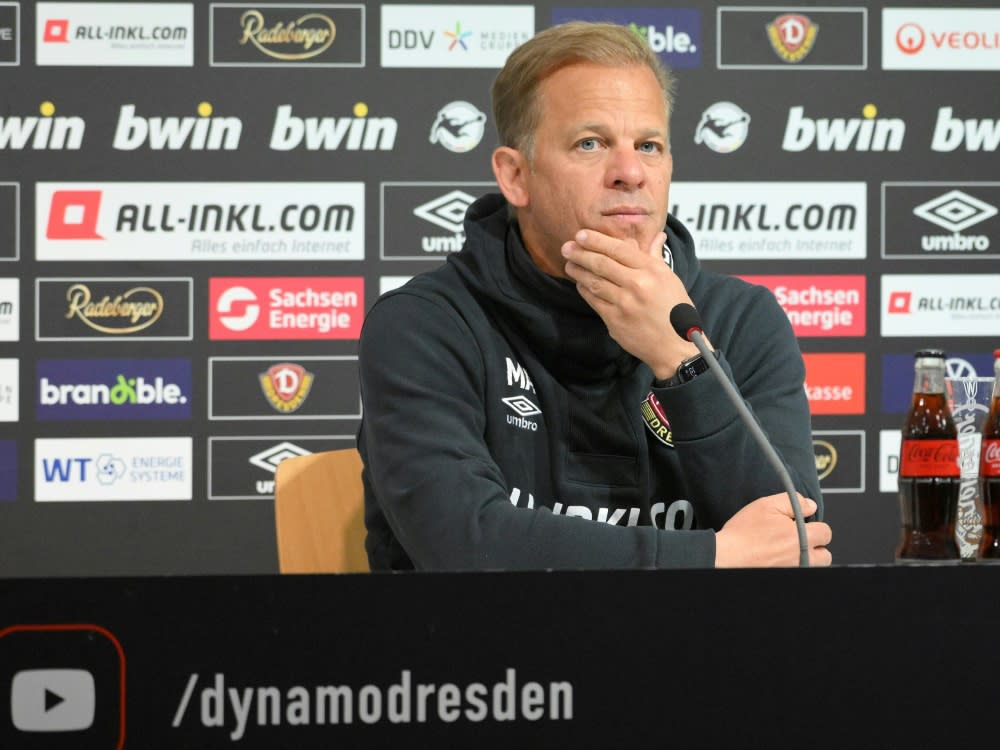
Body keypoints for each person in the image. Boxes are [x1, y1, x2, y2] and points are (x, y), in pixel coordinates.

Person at [357, 20, 832, 570]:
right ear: (515, 176)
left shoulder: (741, 319)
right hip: (492, 650)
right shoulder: (424, 325)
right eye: (591, 143)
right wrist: (711, 555)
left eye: (649, 146)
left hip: (698, 650)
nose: (630, 172)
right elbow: (466, 544)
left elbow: (796, 539)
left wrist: (680, 362)